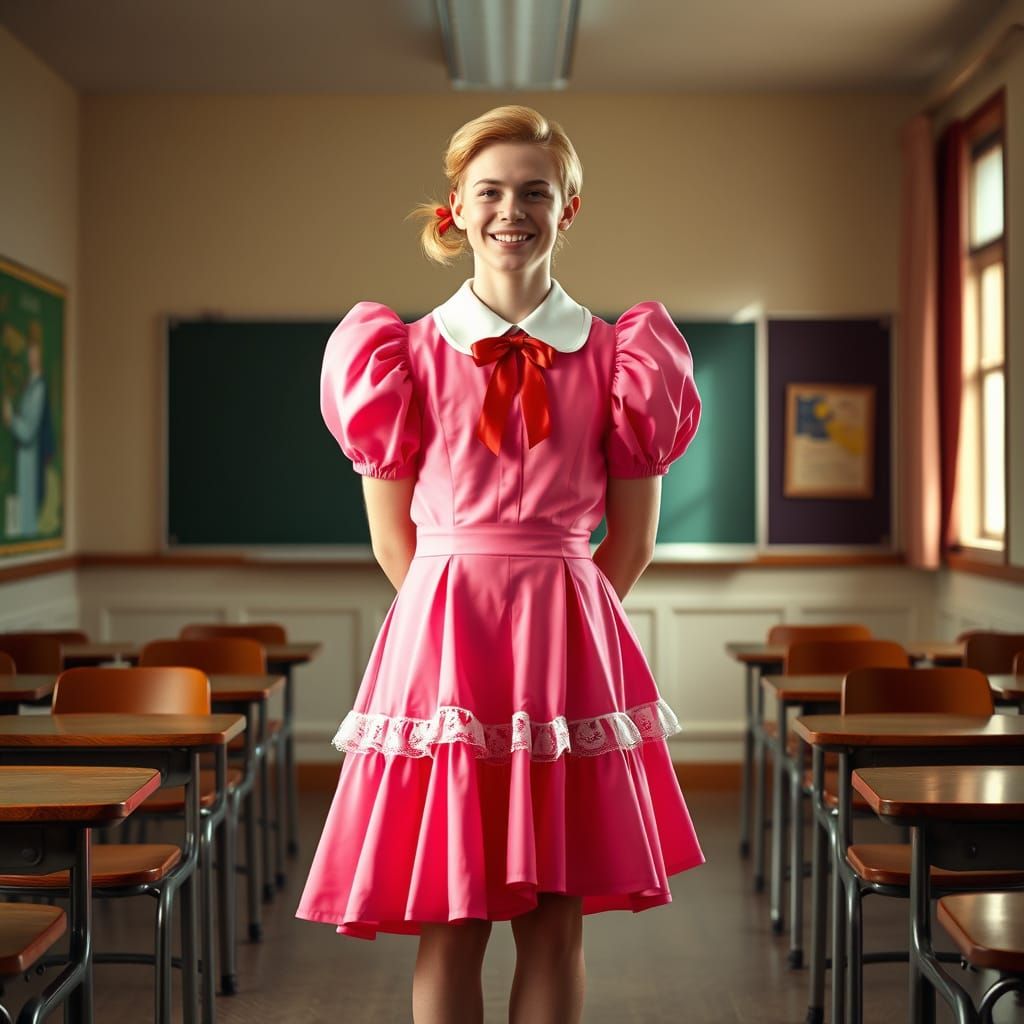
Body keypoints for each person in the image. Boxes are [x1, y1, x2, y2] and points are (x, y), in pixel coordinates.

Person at [296, 104, 704, 1024]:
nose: (510, 209)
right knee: (453, 915)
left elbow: (630, 543)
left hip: (566, 646)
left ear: (570, 209)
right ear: (457, 206)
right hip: (445, 649)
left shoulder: (620, 357)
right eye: (490, 191)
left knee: (557, 920)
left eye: (534, 191)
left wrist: (561, 622)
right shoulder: (397, 355)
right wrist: (458, 630)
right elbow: (393, 541)